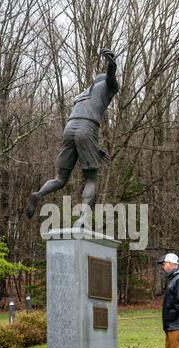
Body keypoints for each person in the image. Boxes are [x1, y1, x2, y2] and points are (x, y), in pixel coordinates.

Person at [26, 48, 119, 220]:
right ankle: (83, 218)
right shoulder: (105, 87)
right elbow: (111, 77)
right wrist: (111, 63)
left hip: (69, 129)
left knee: (60, 179)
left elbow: (79, 131)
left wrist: (95, 149)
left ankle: (38, 194)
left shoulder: (82, 96)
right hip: (87, 127)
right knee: (91, 179)